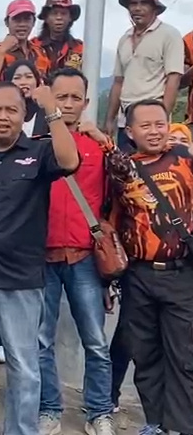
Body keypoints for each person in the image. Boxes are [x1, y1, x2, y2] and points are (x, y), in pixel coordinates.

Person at [0, 81, 80, 435]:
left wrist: (51, 110)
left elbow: (70, 161)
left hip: (20, 278)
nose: (3, 117)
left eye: (11, 110)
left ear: (24, 115)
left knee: (23, 366)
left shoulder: (39, 153)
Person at [35, 68, 116, 435]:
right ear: (49, 99)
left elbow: (125, 184)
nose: (68, 104)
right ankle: (49, 408)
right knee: (41, 341)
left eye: (75, 98)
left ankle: (99, 412)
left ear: (86, 102)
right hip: (43, 256)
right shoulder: (37, 144)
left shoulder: (99, 147)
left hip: (84, 256)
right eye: (61, 97)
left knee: (95, 341)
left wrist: (107, 141)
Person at [106, 99, 193, 435]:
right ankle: (155, 422)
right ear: (130, 132)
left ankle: (182, 426)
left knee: (184, 355)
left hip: (181, 273)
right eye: (146, 125)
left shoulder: (185, 160)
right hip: (138, 275)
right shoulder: (122, 170)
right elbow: (114, 218)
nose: (155, 131)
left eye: (160, 124)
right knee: (144, 353)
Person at [105, 0, 184, 149]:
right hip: (126, 121)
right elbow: (118, 82)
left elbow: (174, 79)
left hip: (152, 121)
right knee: (126, 163)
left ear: (155, 8)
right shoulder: (124, 39)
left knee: (154, 164)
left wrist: (163, 119)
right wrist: (110, 119)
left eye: (144, 3)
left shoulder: (169, 35)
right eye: (133, 3)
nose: (137, 8)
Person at [0, 0, 50, 86]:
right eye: (17, 19)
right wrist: (2, 51)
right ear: (7, 22)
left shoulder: (40, 52)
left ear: (33, 22)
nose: (22, 24)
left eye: (27, 19)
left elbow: (47, 83)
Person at [31, 0, 84, 72]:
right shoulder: (33, 46)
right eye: (54, 13)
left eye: (63, 13)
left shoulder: (80, 48)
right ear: (46, 18)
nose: (59, 18)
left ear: (70, 18)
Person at [5, 59, 49, 138]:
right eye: (17, 78)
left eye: (29, 77)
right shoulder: (3, 114)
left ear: (37, 82)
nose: (23, 82)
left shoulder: (48, 112)